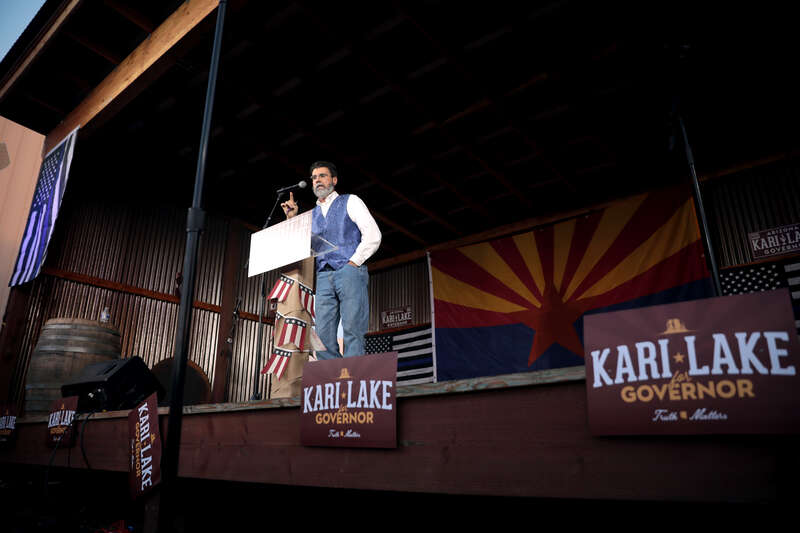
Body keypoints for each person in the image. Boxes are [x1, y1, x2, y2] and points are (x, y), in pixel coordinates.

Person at [281, 161, 381, 359]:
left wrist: (353, 263)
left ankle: (353, 380)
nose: (317, 180)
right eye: (314, 178)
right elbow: (297, 247)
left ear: (334, 180)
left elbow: (373, 234)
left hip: (349, 270)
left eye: (322, 176)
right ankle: (331, 382)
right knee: (324, 335)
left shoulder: (350, 201)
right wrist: (292, 218)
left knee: (353, 328)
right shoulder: (311, 215)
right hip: (323, 276)